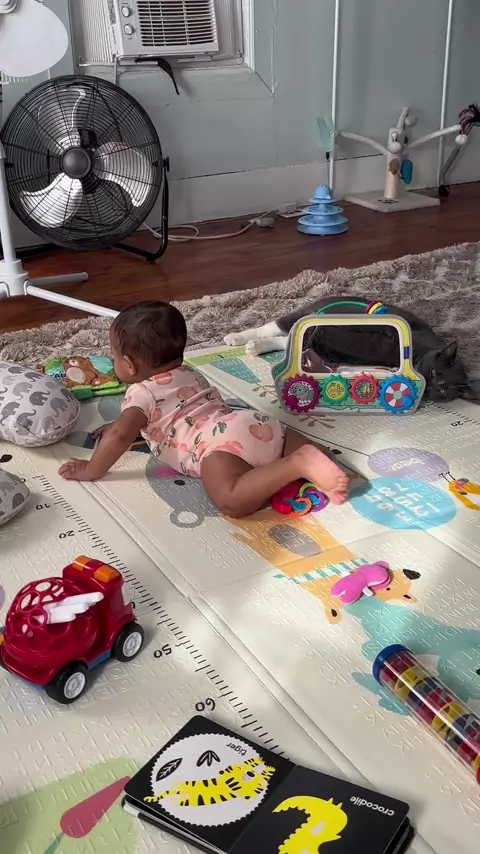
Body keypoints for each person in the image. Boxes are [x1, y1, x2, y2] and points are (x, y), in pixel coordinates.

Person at [59, 302, 349, 517]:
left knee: (232, 501)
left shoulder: (141, 393)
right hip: (250, 421)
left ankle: (298, 464)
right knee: (285, 442)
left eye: (114, 356)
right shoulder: (189, 372)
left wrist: (91, 469)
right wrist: (119, 424)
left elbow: (122, 435)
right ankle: (316, 456)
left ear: (129, 364)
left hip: (217, 448)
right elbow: (167, 413)